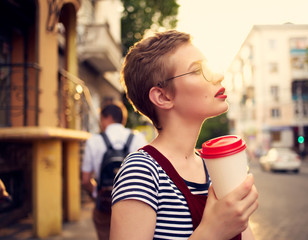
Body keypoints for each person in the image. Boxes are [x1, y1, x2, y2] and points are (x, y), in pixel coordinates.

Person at [110, 30, 258, 239]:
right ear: (162, 96)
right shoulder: (142, 172)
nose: (218, 75)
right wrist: (212, 231)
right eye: (197, 70)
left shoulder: (213, 166)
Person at [81, 103, 148, 240]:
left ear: (107, 118)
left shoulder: (94, 141)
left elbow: (85, 180)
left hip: (105, 202)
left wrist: (97, 193)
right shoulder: (138, 138)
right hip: (134, 202)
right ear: (122, 119)